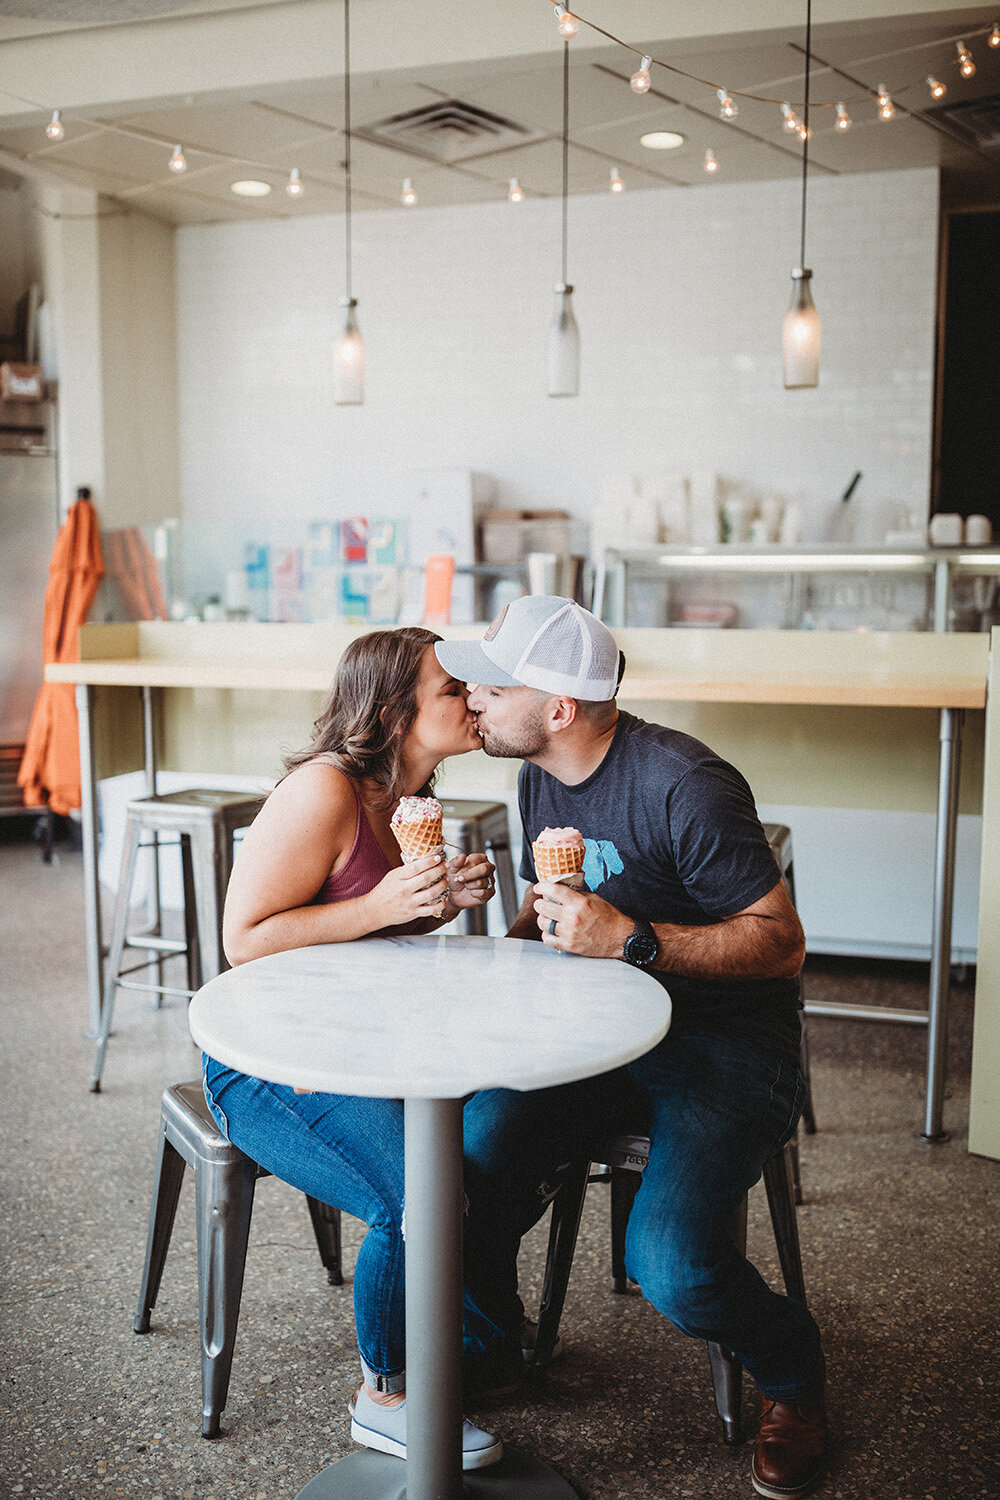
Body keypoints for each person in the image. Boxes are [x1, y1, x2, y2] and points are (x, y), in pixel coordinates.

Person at [437, 596, 827, 1500]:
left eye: (493, 681)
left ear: (560, 707)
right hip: (592, 1033)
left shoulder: (684, 783)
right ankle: (491, 1344)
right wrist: (508, 934)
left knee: (673, 1265)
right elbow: (553, 901)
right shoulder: (537, 770)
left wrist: (633, 940)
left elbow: (781, 942)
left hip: (725, 1043)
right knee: (467, 1159)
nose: (472, 692)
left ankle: (793, 1372)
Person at [202, 626, 504, 1470]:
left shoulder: (412, 797)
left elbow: (369, 935)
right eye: (454, 690)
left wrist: (438, 901)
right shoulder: (325, 790)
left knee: (490, 1143)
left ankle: (470, 1346)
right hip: (266, 1064)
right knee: (418, 1192)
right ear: (392, 711)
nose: (475, 700)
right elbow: (244, 940)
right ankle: (387, 1396)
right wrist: (380, 908)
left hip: (360, 1047)